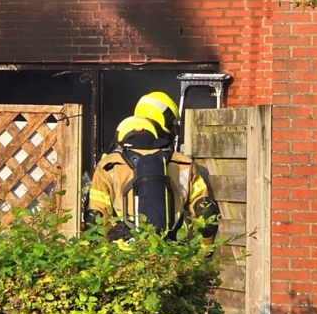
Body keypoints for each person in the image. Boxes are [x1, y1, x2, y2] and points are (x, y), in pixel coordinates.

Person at [85, 92, 219, 242]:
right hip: (172, 256)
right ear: (167, 125)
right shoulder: (183, 164)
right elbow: (205, 211)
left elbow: (96, 218)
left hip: (123, 255)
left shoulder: (110, 164)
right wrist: (203, 253)